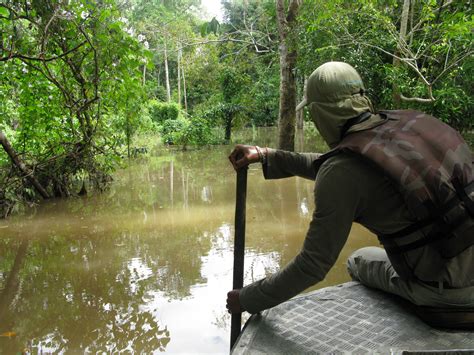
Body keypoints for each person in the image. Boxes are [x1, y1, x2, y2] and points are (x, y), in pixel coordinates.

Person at [226, 61, 474, 317]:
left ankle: (429, 303)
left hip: (449, 292)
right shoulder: (413, 125)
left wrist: (247, 299)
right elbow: (340, 169)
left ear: (321, 113)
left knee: (358, 259)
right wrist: (267, 155)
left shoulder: (341, 170)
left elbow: (313, 265)